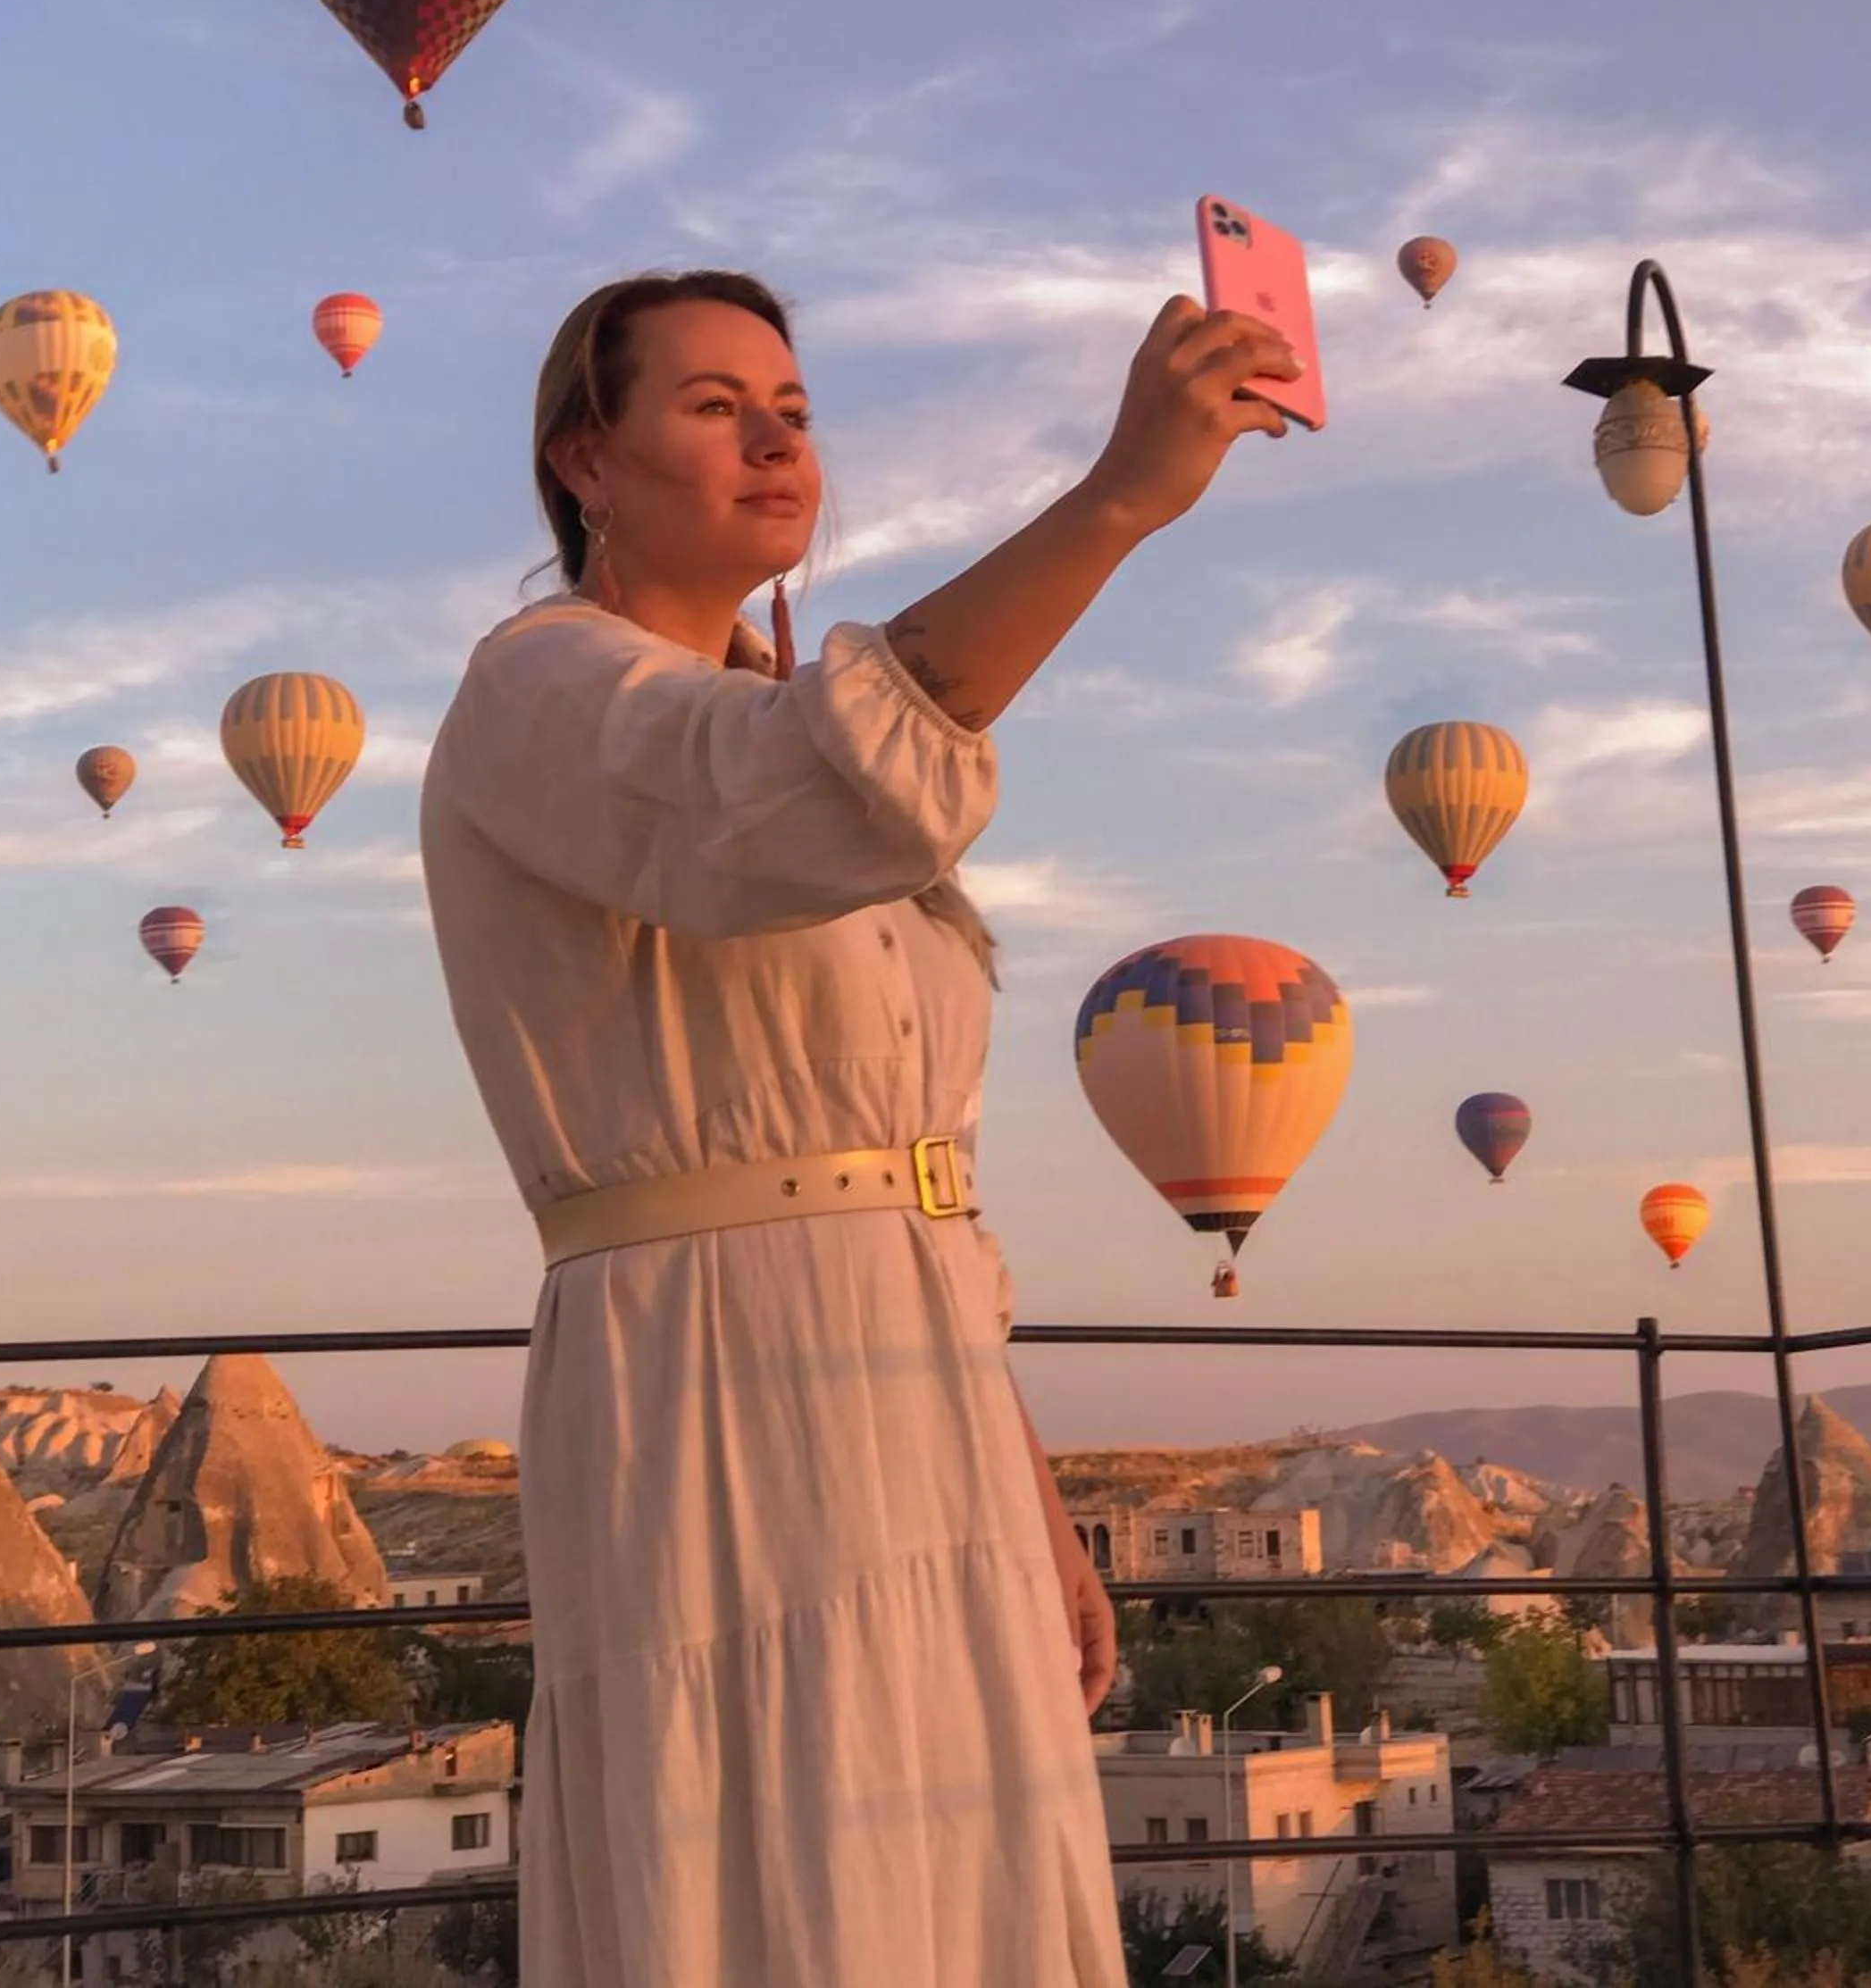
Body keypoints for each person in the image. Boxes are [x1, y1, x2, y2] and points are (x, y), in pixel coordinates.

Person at [419, 266, 1299, 1986]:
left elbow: (918, 1189)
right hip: (712, 1364)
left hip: (918, 1387)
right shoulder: (543, 691)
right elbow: (793, 796)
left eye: (796, 409)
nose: (773, 439)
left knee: (943, 1853)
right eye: (712, 404)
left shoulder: (763, 723)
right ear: (583, 461)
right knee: (776, 1830)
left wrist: (1035, 1501)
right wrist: (1119, 497)